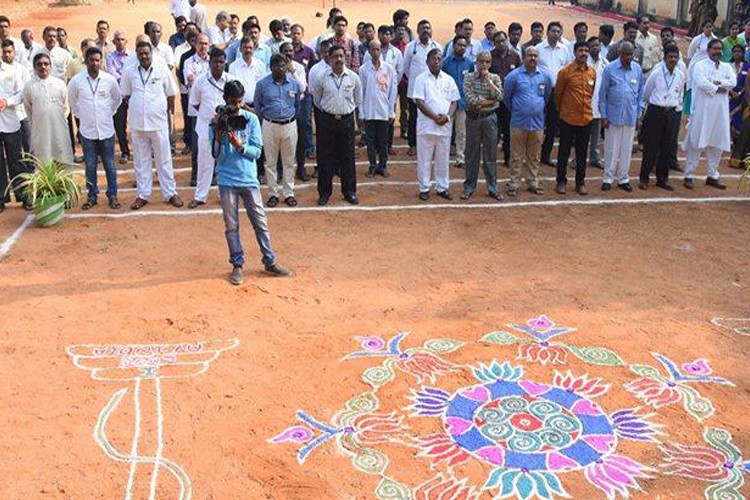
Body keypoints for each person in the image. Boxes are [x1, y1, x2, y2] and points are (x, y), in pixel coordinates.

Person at [212, 80, 290, 285]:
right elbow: (216, 156)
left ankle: (269, 260)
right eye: (232, 102)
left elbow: (257, 152)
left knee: (260, 222)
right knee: (231, 226)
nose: (237, 107)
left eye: (240, 102)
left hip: (248, 179)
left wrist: (241, 147)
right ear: (225, 100)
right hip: (227, 179)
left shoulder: (251, 119)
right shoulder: (218, 122)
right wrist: (220, 134)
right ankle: (237, 265)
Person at [121, 41, 182, 210]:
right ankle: (143, 195)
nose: (144, 56)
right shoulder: (130, 72)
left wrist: (162, 111)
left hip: (158, 123)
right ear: (137, 55)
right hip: (138, 124)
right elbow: (125, 94)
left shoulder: (161, 69)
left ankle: (170, 193)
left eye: (146, 53)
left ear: (151, 53)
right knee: (141, 161)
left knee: (164, 159)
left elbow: (171, 94)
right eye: (140, 54)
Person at [68, 47, 122, 210]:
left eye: (98, 60)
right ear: (86, 61)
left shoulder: (109, 80)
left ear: (101, 61)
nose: (94, 63)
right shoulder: (77, 81)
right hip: (88, 132)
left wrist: (107, 113)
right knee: (90, 165)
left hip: (106, 130)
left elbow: (117, 100)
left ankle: (112, 195)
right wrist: (83, 116)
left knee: (110, 165)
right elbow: (72, 102)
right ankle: (92, 196)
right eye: (91, 60)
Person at [310, 45, 362, 206]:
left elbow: (358, 99)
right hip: (327, 121)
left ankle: (349, 192)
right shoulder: (321, 77)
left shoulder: (353, 77)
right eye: (335, 56)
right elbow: (317, 100)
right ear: (329, 58)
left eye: (341, 56)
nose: (339, 59)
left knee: (348, 158)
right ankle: (324, 193)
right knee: (325, 158)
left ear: (345, 57)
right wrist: (329, 112)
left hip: (346, 121)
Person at [188, 47, 236, 208]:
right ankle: (200, 196)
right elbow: (194, 104)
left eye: (221, 62)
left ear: (225, 63)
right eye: (215, 62)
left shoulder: (231, 81)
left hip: (226, 129)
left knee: (225, 162)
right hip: (205, 128)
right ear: (209, 62)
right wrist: (209, 117)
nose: (218, 65)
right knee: (204, 164)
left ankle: (225, 195)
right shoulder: (200, 81)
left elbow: (236, 104)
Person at [683, 39, 734, 190]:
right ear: (708, 50)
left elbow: (733, 81)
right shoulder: (700, 65)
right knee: (696, 141)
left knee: (717, 143)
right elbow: (701, 82)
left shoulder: (726, 67)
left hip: (720, 113)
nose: (718, 51)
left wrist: (716, 83)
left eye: (720, 49)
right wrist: (719, 86)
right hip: (702, 111)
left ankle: (713, 175)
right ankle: (689, 175)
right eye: (715, 49)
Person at [413, 49, 460, 201]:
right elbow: (419, 102)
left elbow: (454, 101)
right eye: (433, 59)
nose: (437, 61)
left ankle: (442, 187)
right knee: (424, 159)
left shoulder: (449, 80)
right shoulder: (421, 79)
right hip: (426, 126)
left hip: (444, 126)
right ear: (427, 61)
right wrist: (435, 117)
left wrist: (447, 117)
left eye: (439, 59)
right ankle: (424, 188)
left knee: (443, 159)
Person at [254, 53, 301, 207]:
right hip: (270, 125)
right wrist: (268, 119)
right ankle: (273, 193)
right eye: (277, 66)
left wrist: (290, 118)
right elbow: (257, 106)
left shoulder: (294, 84)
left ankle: (288, 193)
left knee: (288, 161)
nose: (281, 68)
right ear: (271, 67)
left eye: (283, 65)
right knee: (270, 162)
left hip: (289, 124)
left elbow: (297, 106)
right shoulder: (262, 84)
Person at [503, 46, 551, 196]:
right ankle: (514, 183)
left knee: (534, 156)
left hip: (537, 123)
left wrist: (536, 108)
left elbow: (546, 97)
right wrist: (520, 109)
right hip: (518, 122)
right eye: (530, 55)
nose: (533, 58)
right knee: (516, 156)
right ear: (524, 57)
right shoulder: (513, 76)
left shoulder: (544, 76)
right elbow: (507, 98)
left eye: (536, 56)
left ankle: (532, 182)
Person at [599, 41, 644, 192]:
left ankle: (623, 178)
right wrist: (604, 115)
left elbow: (640, 96)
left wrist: (639, 115)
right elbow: (602, 94)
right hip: (612, 116)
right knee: (611, 149)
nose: (629, 57)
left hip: (630, 116)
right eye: (627, 54)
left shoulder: (637, 70)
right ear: (620, 53)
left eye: (631, 54)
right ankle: (608, 178)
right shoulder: (610, 69)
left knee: (626, 149)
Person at [639, 44, 685, 191]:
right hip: (656, 112)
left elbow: (680, 95)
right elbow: (646, 93)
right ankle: (644, 178)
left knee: (667, 146)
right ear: (664, 58)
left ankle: (662, 179)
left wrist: (675, 107)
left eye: (675, 57)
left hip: (671, 113)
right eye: (670, 57)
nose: (673, 59)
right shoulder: (656, 73)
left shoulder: (680, 75)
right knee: (651, 147)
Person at [554, 41, 596, 195]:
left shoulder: (592, 72)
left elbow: (591, 94)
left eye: (586, 50)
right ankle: (561, 181)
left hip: (586, 119)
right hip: (568, 119)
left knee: (581, 153)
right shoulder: (565, 72)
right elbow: (558, 95)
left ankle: (580, 183)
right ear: (575, 52)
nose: (583, 53)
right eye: (580, 50)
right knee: (564, 152)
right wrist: (563, 111)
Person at [462, 50, 502, 200]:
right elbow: (471, 100)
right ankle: (469, 187)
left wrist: (489, 82)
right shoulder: (469, 78)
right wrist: (490, 101)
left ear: (490, 63)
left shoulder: (495, 78)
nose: (484, 65)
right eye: (481, 61)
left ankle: (493, 187)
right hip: (473, 119)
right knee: (472, 154)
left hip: (489, 119)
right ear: (476, 62)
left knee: (490, 154)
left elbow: (500, 96)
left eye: (487, 62)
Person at [23, 53, 73, 164]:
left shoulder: (60, 84)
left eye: (46, 64)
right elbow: (28, 108)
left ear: (50, 66)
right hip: (40, 130)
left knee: (62, 159)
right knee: (43, 161)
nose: (43, 67)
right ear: (34, 67)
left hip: (59, 129)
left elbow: (66, 107)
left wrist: (56, 120)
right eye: (39, 64)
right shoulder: (29, 86)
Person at [0, 40, 31, 212]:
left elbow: (20, 94)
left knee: (16, 161)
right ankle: (1, 198)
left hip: (11, 122)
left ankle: (23, 195)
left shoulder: (12, 71)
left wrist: (7, 101)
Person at [359, 39, 397, 178]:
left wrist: (391, 111)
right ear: (369, 51)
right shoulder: (363, 69)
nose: (375, 52)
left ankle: (383, 166)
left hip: (383, 111)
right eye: (372, 49)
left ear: (381, 50)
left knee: (383, 142)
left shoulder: (388, 69)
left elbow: (392, 91)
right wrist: (361, 112)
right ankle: (372, 166)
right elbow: (360, 92)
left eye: (377, 49)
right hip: (369, 111)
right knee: (370, 142)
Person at [403, 20, 441, 156]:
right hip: (415, 89)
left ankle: (432, 143)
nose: (425, 30)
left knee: (431, 114)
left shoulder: (437, 46)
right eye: (422, 28)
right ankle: (413, 144)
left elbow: (439, 67)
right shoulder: (411, 47)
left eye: (428, 27)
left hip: (432, 90)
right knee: (413, 117)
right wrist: (416, 80)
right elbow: (405, 67)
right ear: (417, 31)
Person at [363, 25, 403, 154]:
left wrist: (392, 83)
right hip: (373, 92)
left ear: (391, 36)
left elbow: (400, 70)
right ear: (378, 35)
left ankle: (388, 146)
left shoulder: (396, 52)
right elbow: (364, 73)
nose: (385, 36)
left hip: (389, 90)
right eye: (382, 34)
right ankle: (374, 149)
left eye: (388, 34)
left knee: (389, 119)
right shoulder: (368, 55)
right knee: (373, 123)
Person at [537, 21, 572, 167]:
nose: (555, 34)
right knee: (537, 122)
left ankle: (545, 155)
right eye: (553, 31)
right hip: (539, 90)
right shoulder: (538, 48)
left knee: (552, 125)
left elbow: (567, 69)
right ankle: (533, 154)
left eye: (558, 31)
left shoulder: (564, 50)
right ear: (547, 32)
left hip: (557, 91)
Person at [489, 30, 521, 166]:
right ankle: (490, 158)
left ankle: (508, 157)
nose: (501, 44)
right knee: (493, 131)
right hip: (494, 100)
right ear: (494, 43)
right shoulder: (490, 57)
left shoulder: (515, 57)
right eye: (498, 42)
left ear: (507, 40)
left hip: (509, 101)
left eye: (503, 40)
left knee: (508, 131)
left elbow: (520, 76)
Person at [442, 35, 474, 169]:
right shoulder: (445, 63)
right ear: (453, 45)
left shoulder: (469, 63)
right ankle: (443, 156)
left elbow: (472, 82)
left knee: (462, 132)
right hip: (448, 102)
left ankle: (460, 157)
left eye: (464, 45)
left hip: (462, 102)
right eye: (459, 45)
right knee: (446, 130)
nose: (462, 47)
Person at [184, 33, 210, 186]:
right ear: (195, 45)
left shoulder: (213, 61)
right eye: (200, 43)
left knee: (213, 142)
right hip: (196, 109)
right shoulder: (189, 61)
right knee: (196, 145)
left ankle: (212, 175)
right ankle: (195, 175)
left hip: (211, 110)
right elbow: (190, 79)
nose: (203, 46)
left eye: (206, 43)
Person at [290, 24, 317, 172]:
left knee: (306, 121)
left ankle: (308, 148)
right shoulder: (286, 51)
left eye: (298, 33)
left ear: (302, 34)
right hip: (288, 96)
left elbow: (312, 70)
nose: (295, 36)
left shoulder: (308, 52)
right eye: (293, 33)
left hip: (304, 94)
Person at [105, 31, 132, 165]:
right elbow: (112, 74)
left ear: (126, 41)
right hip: (119, 95)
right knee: (119, 125)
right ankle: (124, 151)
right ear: (114, 42)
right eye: (117, 40)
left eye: (122, 39)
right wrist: (126, 78)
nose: (120, 42)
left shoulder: (133, 56)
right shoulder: (110, 57)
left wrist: (126, 79)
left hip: (133, 95)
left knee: (137, 123)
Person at [2, 39, 31, 153]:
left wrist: (8, 102)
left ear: (14, 52)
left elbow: (26, 91)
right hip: (6, 115)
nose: (7, 55)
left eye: (9, 52)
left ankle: (31, 168)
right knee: (13, 147)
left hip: (22, 113)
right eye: (4, 52)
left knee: (27, 142)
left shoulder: (22, 70)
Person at [586, 36, 607, 169]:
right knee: (582, 134)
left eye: (597, 45)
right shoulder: (583, 61)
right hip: (585, 102)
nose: (595, 48)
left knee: (596, 135)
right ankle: (578, 158)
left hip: (598, 103)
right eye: (593, 45)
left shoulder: (606, 63)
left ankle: (595, 157)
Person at [229, 36, 267, 108]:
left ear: (254, 49)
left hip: (257, 106)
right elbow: (233, 89)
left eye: (250, 48)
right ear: (240, 49)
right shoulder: (233, 66)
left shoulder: (260, 65)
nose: (248, 50)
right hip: (240, 106)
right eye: (245, 47)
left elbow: (263, 87)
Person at [729, 53, 750, 169]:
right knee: (746, 132)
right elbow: (747, 85)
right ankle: (740, 160)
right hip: (749, 105)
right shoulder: (748, 66)